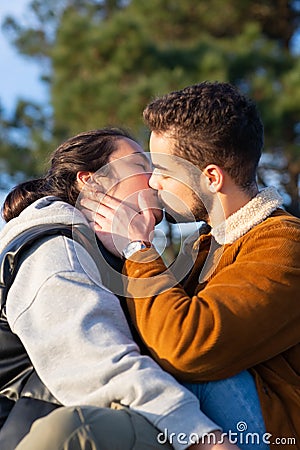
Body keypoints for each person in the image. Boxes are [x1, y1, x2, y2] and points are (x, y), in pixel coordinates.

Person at [80, 82, 300, 449]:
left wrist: (138, 249)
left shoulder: (284, 245)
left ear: (211, 177)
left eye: (164, 171)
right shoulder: (203, 246)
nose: (152, 181)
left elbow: (187, 348)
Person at [0, 127, 240, 450]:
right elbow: (99, 362)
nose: (155, 181)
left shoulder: (105, 258)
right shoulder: (56, 248)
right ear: (92, 181)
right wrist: (201, 437)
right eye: (142, 168)